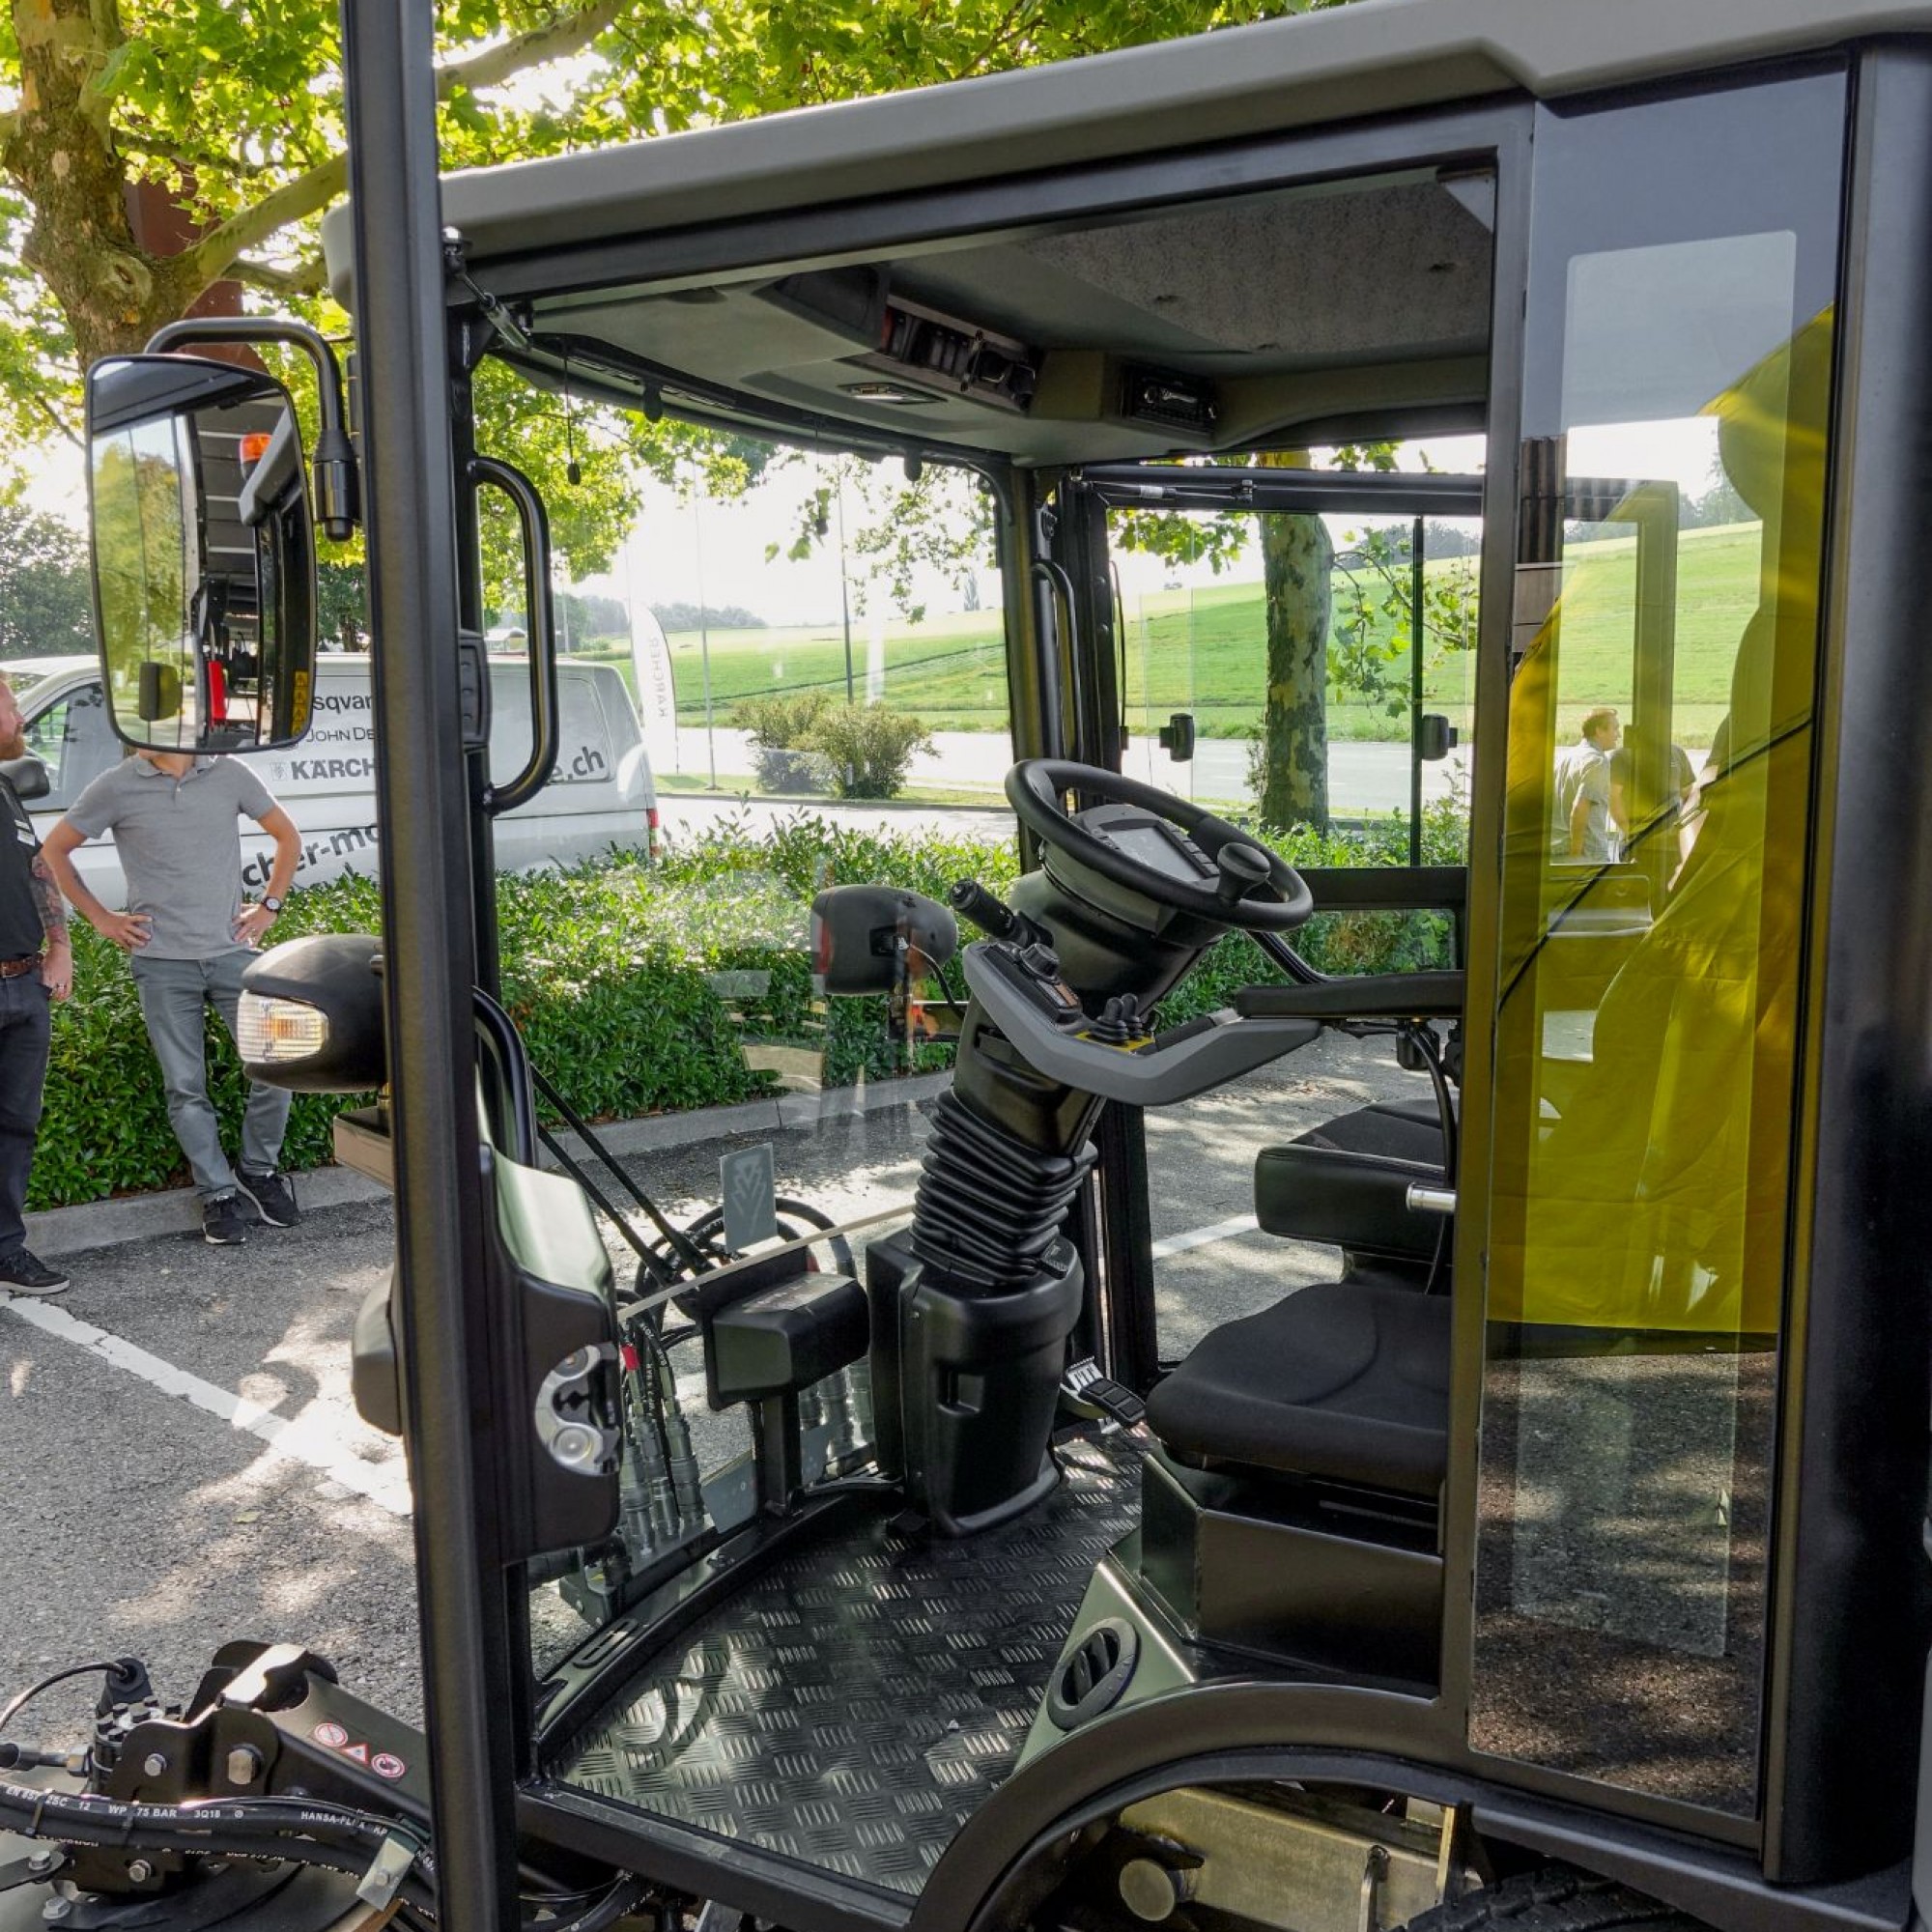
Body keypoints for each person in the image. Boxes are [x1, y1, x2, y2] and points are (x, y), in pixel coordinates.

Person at [43, 748, 302, 1246]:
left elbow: (287, 837)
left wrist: (270, 905)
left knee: (280, 1065)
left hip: (232, 954)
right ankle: (218, 1194)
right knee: (185, 1086)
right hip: (162, 964)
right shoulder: (117, 784)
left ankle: (258, 1171)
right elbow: (53, 850)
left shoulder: (229, 772)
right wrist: (102, 919)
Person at [0, 676, 73, 1293]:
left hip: (24, 985)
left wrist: (61, 945)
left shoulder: (4, 787)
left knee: (15, 1124)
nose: (20, 714)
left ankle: (6, 1251)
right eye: (10, 702)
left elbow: (36, 867)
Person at [1551, 705, 1621, 863]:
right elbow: (1580, 807)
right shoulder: (1597, 762)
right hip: (1587, 854)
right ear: (1599, 731)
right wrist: (1575, 854)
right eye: (1615, 729)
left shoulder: (1565, 756)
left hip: (1557, 850)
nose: (1619, 735)